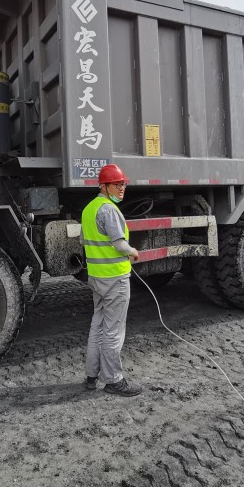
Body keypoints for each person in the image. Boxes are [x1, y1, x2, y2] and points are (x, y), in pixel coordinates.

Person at [81, 164, 142, 397]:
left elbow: (86, 241)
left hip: (97, 278)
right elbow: (119, 245)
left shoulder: (89, 209)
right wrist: (133, 251)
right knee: (113, 331)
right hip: (115, 279)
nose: (122, 188)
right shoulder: (108, 210)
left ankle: (91, 376)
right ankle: (114, 380)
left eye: (123, 184)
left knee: (97, 325)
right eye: (117, 185)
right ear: (103, 186)